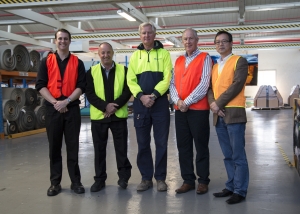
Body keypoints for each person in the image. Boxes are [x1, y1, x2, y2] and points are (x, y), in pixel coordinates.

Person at [36, 28, 86, 196]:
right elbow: (40, 85)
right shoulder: (46, 61)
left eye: (66, 39)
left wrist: (67, 101)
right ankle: (55, 183)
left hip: (71, 109)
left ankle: (75, 182)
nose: (63, 41)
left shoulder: (77, 62)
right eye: (60, 39)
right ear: (55, 41)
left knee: (73, 148)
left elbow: (81, 86)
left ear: (70, 41)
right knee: (54, 148)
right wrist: (56, 102)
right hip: (52, 110)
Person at [127, 22, 172, 192]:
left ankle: (160, 178)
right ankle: (146, 178)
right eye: (143, 33)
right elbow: (130, 79)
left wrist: (153, 95)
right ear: (140, 35)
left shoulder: (164, 54)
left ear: (155, 35)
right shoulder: (134, 56)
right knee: (143, 143)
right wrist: (141, 96)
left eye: (149, 33)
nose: (146, 36)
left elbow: (167, 78)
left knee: (161, 143)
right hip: (140, 105)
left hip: (159, 104)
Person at [207, 30, 249, 204]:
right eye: (217, 42)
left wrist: (219, 103)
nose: (220, 44)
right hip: (219, 115)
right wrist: (213, 105)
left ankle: (240, 190)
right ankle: (231, 186)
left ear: (231, 43)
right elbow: (210, 89)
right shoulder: (215, 66)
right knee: (227, 155)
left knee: (238, 155)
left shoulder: (240, 61)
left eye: (224, 41)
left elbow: (237, 84)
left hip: (234, 113)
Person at [169, 28, 212, 194]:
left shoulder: (205, 58)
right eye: (185, 39)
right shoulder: (179, 60)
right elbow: (172, 83)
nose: (188, 42)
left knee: (201, 146)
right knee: (183, 146)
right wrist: (178, 101)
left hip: (198, 111)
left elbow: (204, 84)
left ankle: (203, 181)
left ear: (197, 40)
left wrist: (186, 101)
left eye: (191, 38)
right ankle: (188, 180)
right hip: (180, 111)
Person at [85, 42, 132, 191]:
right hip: (99, 117)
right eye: (102, 53)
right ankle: (99, 180)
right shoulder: (91, 72)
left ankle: (123, 177)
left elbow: (127, 90)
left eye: (108, 52)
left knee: (121, 148)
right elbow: (90, 94)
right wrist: (105, 106)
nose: (105, 55)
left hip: (118, 117)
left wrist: (114, 106)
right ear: (99, 55)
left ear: (112, 53)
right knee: (99, 150)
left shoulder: (124, 70)